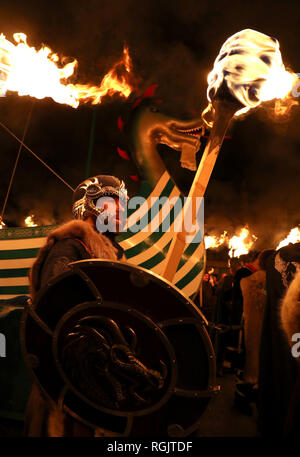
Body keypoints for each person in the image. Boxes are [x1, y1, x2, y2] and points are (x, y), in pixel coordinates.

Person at [24, 174, 128, 437]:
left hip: (99, 380)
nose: (122, 210)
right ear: (92, 205)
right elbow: (55, 318)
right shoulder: (69, 248)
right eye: (115, 202)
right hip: (67, 381)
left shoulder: (110, 254)